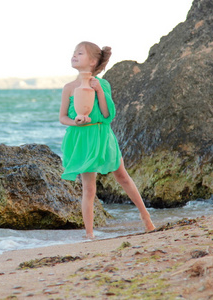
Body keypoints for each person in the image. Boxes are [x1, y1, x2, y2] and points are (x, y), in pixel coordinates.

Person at [59, 41, 155, 239]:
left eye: (79, 53)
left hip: (102, 135)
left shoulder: (102, 84)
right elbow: (62, 118)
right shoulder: (69, 88)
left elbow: (107, 114)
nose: (74, 56)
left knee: (122, 176)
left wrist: (99, 91)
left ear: (93, 61)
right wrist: (76, 122)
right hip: (81, 139)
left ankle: (146, 218)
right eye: (74, 53)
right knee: (89, 188)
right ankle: (89, 233)